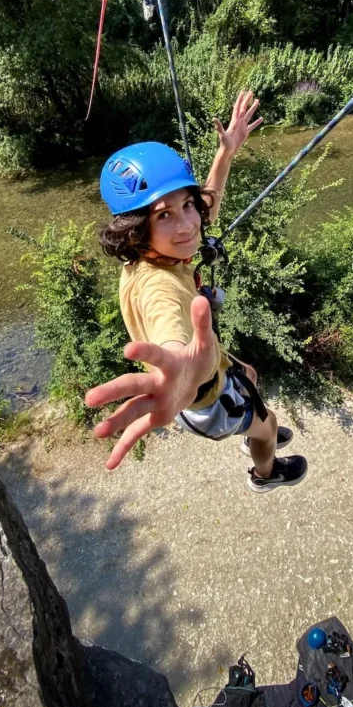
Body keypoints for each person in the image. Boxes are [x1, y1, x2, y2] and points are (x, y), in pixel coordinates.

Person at [85, 90, 308, 492]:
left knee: (250, 374)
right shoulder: (159, 285)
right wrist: (183, 368)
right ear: (137, 227)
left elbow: (209, 201)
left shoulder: (153, 254)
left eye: (187, 206)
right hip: (205, 398)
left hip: (210, 375)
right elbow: (169, 327)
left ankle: (253, 428)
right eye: (165, 214)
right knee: (268, 424)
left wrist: (227, 152)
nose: (188, 224)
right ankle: (265, 471)